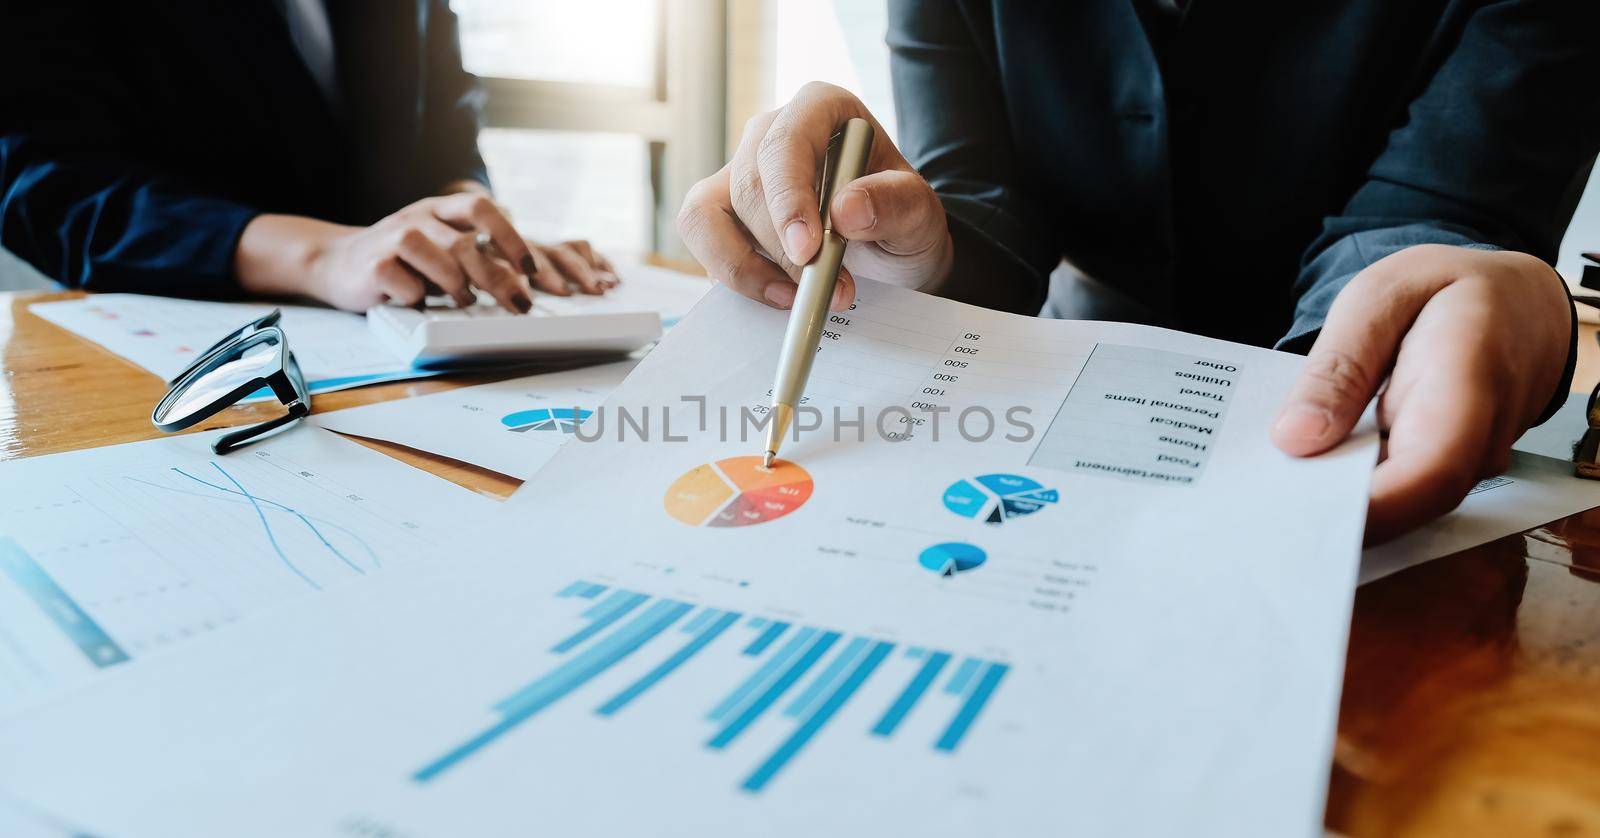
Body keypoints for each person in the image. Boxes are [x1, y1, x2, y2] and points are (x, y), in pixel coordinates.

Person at [679, 0, 1600, 541]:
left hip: (1379, 416)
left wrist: (1476, 296)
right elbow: (983, 199)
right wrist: (896, 244)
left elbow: (1437, 215)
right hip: (1062, 395)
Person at [0, 0, 616, 314]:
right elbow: (43, 183)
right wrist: (323, 254)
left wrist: (474, 231)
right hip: (166, 348)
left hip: (402, 341)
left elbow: (443, 123)